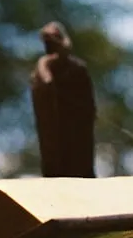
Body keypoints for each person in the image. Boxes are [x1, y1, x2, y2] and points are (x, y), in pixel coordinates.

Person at [30, 21, 96, 178]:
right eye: (46, 42)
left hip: (77, 137)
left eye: (53, 40)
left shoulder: (78, 68)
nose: (49, 46)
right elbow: (45, 83)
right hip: (54, 140)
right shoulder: (41, 69)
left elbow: (89, 106)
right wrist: (44, 64)